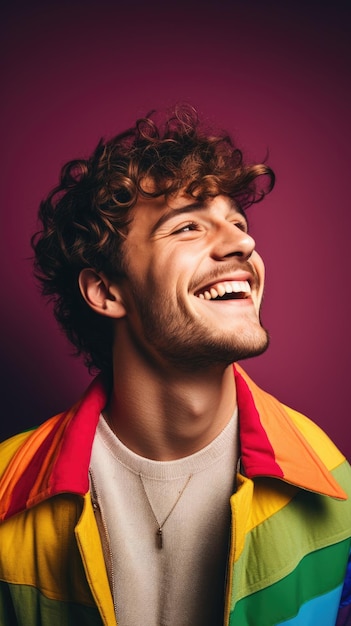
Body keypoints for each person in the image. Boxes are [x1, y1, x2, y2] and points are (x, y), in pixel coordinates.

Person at [0, 105, 350, 626]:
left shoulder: (336, 490)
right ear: (105, 290)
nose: (243, 243)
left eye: (237, 222)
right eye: (187, 227)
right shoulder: (8, 494)